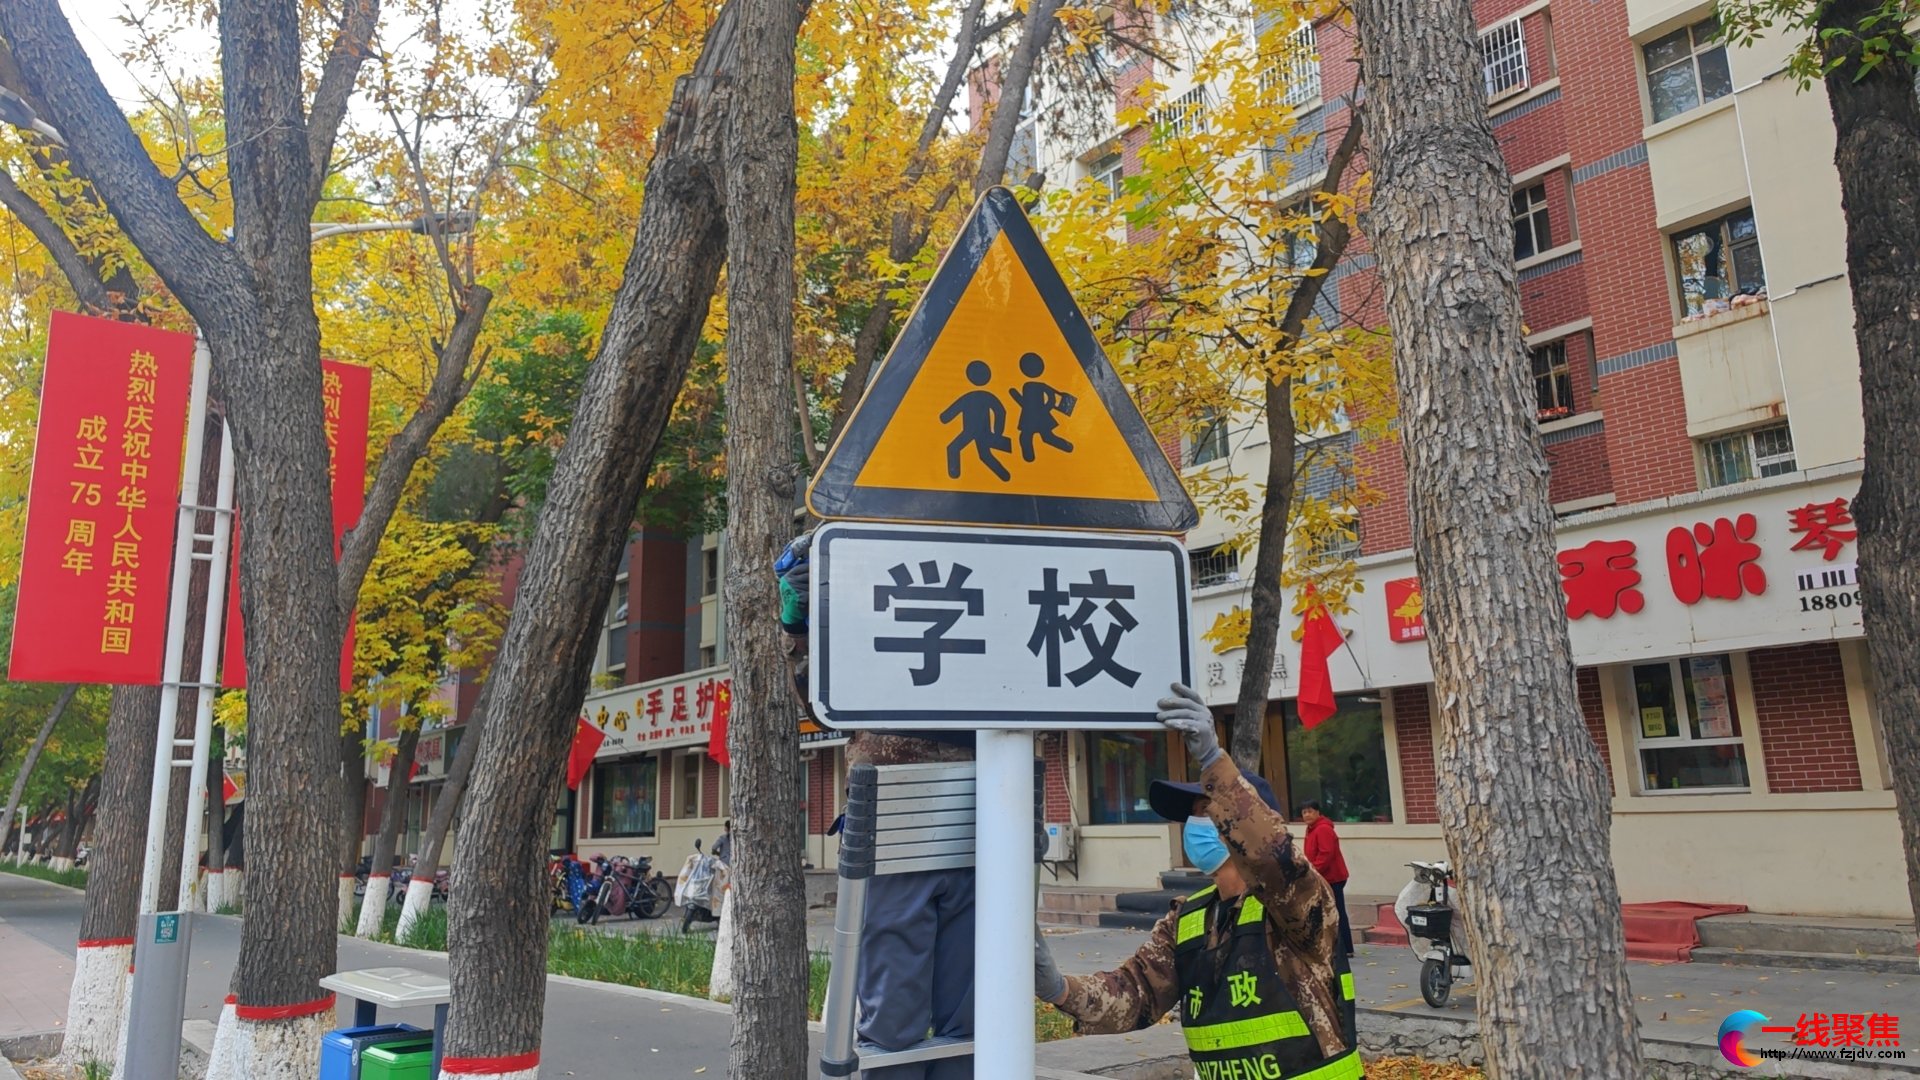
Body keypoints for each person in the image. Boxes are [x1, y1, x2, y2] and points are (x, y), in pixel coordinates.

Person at [1034, 683, 1358, 1080]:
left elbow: (1272, 857)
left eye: (1207, 810)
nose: (1194, 824)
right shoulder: (1189, 919)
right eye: (1193, 814)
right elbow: (1136, 993)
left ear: (1241, 823)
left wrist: (1213, 760)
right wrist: (1059, 989)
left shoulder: (1296, 905)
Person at [779, 533, 976, 1080]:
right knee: (892, 1022)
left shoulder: (986, 560)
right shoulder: (868, 576)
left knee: (972, 1022)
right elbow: (819, 701)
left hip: (983, 821)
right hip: (892, 828)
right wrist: (799, 625)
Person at [1301, 801, 1354, 958]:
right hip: (1323, 876)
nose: (1307, 815)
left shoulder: (1323, 829)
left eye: (1310, 811)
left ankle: (1346, 948)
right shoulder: (1311, 829)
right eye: (1304, 812)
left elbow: (1326, 854)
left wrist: (1313, 871)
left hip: (1332, 877)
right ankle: (1334, 946)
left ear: (1318, 812)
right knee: (1327, 911)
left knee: (1336, 911)